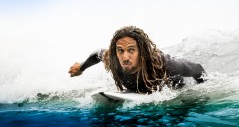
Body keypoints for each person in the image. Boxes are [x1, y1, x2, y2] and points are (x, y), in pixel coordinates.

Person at [68, 26, 206, 93]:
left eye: (131, 50)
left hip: (173, 86)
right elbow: (97, 54)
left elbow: (198, 69)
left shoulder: (163, 64)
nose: (125, 57)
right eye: (120, 51)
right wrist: (81, 68)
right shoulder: (113, 59)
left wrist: (203, 92)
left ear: (142, 53)